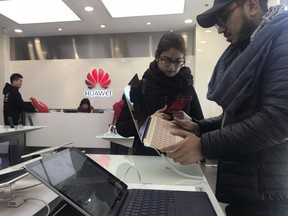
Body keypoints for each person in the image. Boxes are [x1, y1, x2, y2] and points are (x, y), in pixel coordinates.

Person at [161, 1, 288, 215]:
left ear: (252, 5)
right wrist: (199, 127)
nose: (219, 29)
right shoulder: (255, 46)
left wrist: (204, 146)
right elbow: (238, 116)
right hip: (249, 189)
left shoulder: (282, 41)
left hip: (267, 196)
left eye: (223, 18)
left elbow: (278, 120)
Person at [116, 32, 204, 156]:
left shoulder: (187, 87)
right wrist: (149, 121)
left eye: (178, 61)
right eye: (167, 60)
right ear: (157, 56)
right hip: (147, 158)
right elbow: (121, 128)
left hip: (181, 158)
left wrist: (189, 120)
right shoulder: (140, 87)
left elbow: (201, 124)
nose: (172, 67)